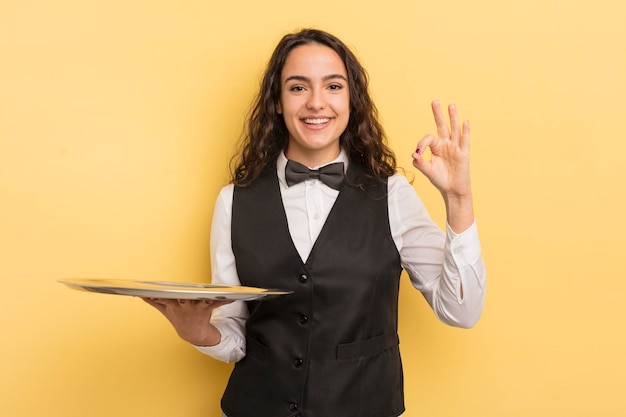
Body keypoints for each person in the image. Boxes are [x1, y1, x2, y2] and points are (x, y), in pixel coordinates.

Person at [144, 28, 486, 417]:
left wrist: (458, 199)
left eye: (333, 86)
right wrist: (197, 332)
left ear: (351, 99)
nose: (317, 103)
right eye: (298, 88)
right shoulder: (234, 201)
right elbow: (237, 334)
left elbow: (461, 310)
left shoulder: (391, 194)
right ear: (277, 100)